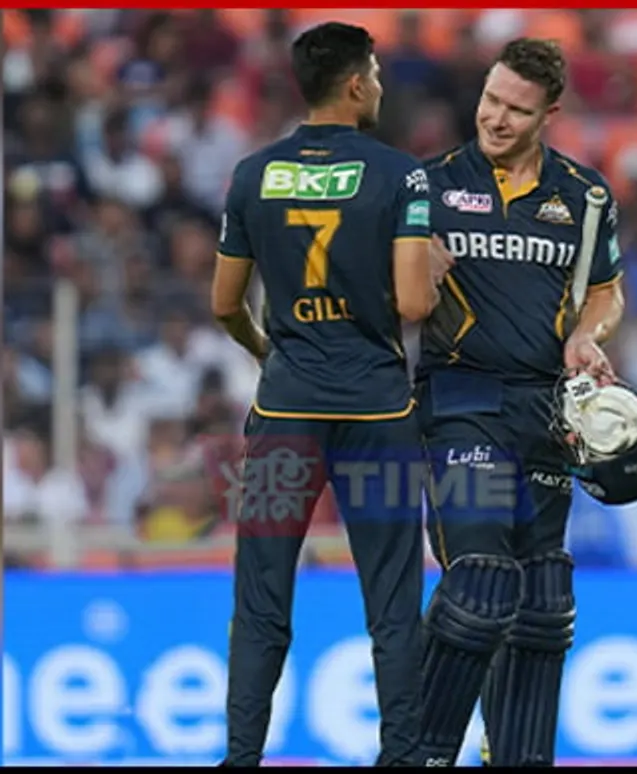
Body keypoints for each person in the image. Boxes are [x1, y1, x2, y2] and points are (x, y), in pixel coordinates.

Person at [209, 22, 448, 767]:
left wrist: (267, 350)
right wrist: (434, 268)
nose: (378, 85)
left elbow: (224, 304)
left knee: (260, 599)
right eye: (373, 73)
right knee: (392, 601)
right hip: (376, 410)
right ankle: (401, 756)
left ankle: (241, 758)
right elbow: (414, 304)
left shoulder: (253, 174)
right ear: (354, 84)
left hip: (286, 410)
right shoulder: (401, 175)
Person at [414, 38, 626, 766]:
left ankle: (515, 756)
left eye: (517, 110)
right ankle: (414, 751)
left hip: (545, 409)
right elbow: (376, 288)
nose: (496, 119)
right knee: (479, 582)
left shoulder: (585, 197)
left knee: (542, 601)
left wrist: (588, 336)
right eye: (491, 100)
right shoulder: (427, 186)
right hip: (460, 399)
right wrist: (408, 262)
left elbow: (605, 292)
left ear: (549, 114)